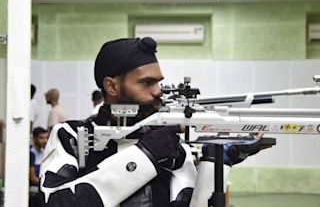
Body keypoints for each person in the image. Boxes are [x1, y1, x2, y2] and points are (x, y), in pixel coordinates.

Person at [39, 37, 268, 206]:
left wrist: (216, 162)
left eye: (158, 82)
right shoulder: (71, 136)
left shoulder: (168, 142)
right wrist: (146, 155)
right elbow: (53, 201)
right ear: (111, 86)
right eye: (146, 83)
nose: (158, 92)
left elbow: (192, 203)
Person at [30, 127, 49, 207]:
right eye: (41, 138)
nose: (45, 141)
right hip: (34, 189)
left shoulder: (44, 152)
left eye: (46, 138)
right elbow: (33, 179)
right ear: (34, 139)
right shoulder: (31, 153)